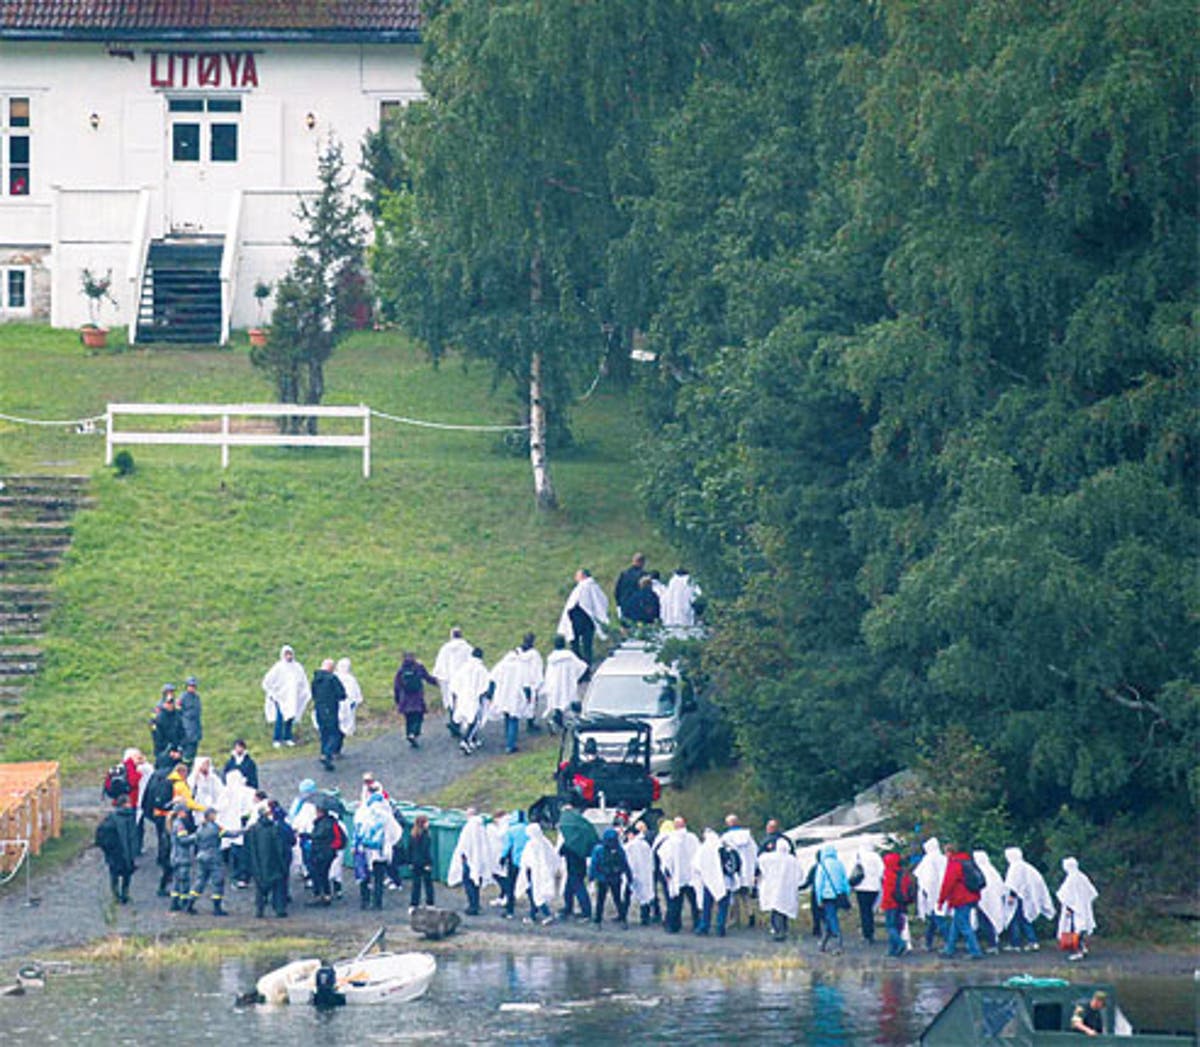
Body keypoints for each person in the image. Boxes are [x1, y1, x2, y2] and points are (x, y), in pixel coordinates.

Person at [353, 788, 402, 911]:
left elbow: (356, 831)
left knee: (364, 877)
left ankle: (364, 901)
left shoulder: (362, 814)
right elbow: (395, 834)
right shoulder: (386, 816)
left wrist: (355, 847)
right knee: (378, 879)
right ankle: (377, 902)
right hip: (381, 853)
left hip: (364, 851)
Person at [1003, 845, 1056, 951]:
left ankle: (1017, 943)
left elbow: (1014, 883)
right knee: (1024, 919)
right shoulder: (1025, 866)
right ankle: (1031, 941)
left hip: (1020, 898)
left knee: (1016, 919)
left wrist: (1012, 896)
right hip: (1026, 897)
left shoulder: (1015, 867)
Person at [938, 844, 983, 958]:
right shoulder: (967, 861)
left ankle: (975, 951)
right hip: (971, 896)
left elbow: (947, 883)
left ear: (949, 853)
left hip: (960, 898)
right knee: (956, 924)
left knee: (964, 925)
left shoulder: (954, 864)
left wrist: (941, 900)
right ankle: (949, 949)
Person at [246, 803, 290, 918]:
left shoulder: (253, 829)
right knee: (278, 887)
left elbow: (250, 848)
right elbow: (279, 847)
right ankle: (279, 909)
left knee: (260, 887)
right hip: (274, 862)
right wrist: (283, 863)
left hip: (258, 863)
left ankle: (259, 910)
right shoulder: (274, 828)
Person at [558, 569, 610, 665]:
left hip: (578, 619)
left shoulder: (582, 587)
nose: (575, 578)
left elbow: (572, 604)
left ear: (583, 576)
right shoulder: (594, 587)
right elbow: (601, 601)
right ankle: (587, 664)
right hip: (588, 621)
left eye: (577, 575)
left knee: (576, 644)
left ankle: (579, 664)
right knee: (587, 645)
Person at [262, 645, 310, 748]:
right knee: (280, 717)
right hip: (280, 697)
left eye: (290, 654)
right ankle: (277, 739)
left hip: (292, 697)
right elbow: (267, 681)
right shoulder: (278, 667)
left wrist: (303, 692)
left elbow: (302, 681)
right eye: (286, 654)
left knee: (290, 717)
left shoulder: (297, 667)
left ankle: (288, 737)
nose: (289, 656)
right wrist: (273, 693)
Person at [659, 816, 700, 933]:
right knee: (694, 902)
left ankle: (674, 926)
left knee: (675, 902)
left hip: (677, 876)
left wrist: (667, 872)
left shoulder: (670, 840)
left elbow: (665, 858)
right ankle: (698, 924)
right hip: (692, 875)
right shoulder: (693, 838)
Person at [95, 793, 138, 904]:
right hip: (119, 851)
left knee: (121, 874)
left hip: (121, 852)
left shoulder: (121, 817)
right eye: (128, 803)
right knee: (120, 874)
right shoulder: (118, 819)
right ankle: (120, 894)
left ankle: (121, 894)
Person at [448, 808, 492, 915]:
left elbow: (464, 845)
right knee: (476, 883)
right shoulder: (481, 826)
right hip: (480, 860)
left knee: (468, 883)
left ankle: (472, 906)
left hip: (469, 860)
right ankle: (476, 903)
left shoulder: (469, 827)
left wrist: (462, 856)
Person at [757, 837, 802, 942]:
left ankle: (778, 931)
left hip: (773, 888)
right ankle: (783, 929)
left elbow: (760, 860)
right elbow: (800, 874)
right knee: (784, 910)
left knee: (776, 909)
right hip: (787, 890)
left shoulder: (770, 858)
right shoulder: (792, 860)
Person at [490, 644, 533, 755]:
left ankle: (508, 737)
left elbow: (492, 679)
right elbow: (526, 683)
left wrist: (491, 694)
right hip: (515, 695)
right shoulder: (520, 667)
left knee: (507, 716)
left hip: (503, 695)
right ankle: (511, 744)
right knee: (514, 719)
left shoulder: (502, 665)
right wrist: (528, 696)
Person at [557, 805, 596, 921]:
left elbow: (562, 851)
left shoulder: (571, 843)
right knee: (569, 889)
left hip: (573, 868)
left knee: (579, 888)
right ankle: (568, 908)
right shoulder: (581, 838)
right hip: (580, 866)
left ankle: (586, 911)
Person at [451, 647, 494, 753]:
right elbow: (485, 686)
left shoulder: (463, 667)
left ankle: (473, 740)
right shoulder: (481, 669)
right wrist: (485, 696)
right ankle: (466, 740)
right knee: (475, 721)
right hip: (474, 698)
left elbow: (455, 683)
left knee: (465, 719)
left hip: (462, 697)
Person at [542, 634, 588, 732]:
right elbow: (581, 666)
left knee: (557, 703)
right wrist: (575, 676)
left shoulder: (551, 658)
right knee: (569, 701)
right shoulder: (570, 656)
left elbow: (549, 674)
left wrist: (548, 685)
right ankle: (570, 722)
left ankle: (557, 721)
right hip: (567, 683)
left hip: (555, 684)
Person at [1056, 856, 1098, 962]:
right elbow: (1092, 892)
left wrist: (1070, 908)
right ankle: (1082, 948)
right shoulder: (1082, 876)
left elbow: (1066, 895)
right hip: (1083, 907)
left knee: (1076, 930)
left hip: (1075, 908)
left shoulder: (1071, 879)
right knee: (1081, 928)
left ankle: (1077, 951)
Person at [517, 822, 559, 925]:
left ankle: (546, 914)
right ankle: (533, 915)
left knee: (536, 895)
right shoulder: (545, 842)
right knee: (537, 895)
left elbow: (527, 860)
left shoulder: (532, 844)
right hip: (543, 873)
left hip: (534, 874)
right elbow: (553, 857)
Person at [393, 651, 437, 748]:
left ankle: (409, 734)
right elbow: (428, 678)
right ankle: (414, 733)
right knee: (418, 717)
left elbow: (396, 686)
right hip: (417, 698)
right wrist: (438, 683)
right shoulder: (418, 667)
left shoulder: (401, 670)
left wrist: (397, 699)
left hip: (405, 699)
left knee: (408, 719)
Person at [433, 628, 473, 734]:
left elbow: (440, 666)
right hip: (463, 680)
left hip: (448, 680)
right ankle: (460, 724)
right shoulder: (467, 649)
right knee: (462, 701)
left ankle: (453, 723)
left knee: (450, 702)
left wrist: (439, 678)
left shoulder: (445, 648)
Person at [589, 827, 631, 928]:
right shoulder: (619, 849)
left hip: (602, 877)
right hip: (616, 878)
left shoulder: (598, 849)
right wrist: (629, 876)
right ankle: (623, 919)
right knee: (617, 899)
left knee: (600, 899)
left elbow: (594, 864)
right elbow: (625, 864)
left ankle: (597, 920)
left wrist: (591, 876)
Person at [692, 828, 730, 936]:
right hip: (725, 880)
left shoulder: (703, 849)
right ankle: (720, 927)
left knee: (707, 905)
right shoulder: (724, 847)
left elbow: (696, 864)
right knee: (723, 905)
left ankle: (704, 926)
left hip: (708, 880)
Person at [814, 843, 850, 953]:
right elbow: (845, 880)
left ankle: (837, 942)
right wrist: (846, 893)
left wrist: (818, 899)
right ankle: (823, 943)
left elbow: (818, 884)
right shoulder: (840, 864)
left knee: (831, 918)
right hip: (838, 895)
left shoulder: (822, 865)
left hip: (826, 896)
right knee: (830, 917)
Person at [192, 807, 228, 916]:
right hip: (214, 857)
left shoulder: (200, 828)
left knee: (200, 881)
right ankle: (217, 908)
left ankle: (189, 903)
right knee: (218, 881)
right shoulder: (215, 828)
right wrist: (244, 831)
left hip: (201, 856)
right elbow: (229, 834)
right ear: (210, 815)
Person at [311, 658, 346, 771]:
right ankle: (328, 753)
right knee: (334, 733)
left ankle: (323, 753)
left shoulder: (315, 679)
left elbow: (313, 694)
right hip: (330, 709)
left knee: (324, 732)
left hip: (319, 709)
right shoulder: (332, 678)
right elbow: (341, 694)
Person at [916, 837, 949, 950]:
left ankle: (948, 943)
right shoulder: (943, 859)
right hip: (942, 892)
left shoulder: (928, 859)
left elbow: (926, 878)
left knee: (937, 919)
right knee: (934, 920)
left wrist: (926, 893)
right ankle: (928, 942)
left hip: (931, 894)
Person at [973, 849, 1009, 954]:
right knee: (990, 921)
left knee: (985, 923)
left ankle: (992, 944)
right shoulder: (992, 871)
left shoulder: (980, 871)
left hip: (982, 902)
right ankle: (992, 943)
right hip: (992, 901)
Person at [307, 800, 341, 907]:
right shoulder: (331, 822)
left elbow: (318, 836)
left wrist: (306, 835)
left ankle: (321, 896)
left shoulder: (324, 824)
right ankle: (326, 895)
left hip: (322, 852)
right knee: (324, 874)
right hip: (328, 852)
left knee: (318, 874)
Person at [623, 821, 657, 925]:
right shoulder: (645, 845)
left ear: (631, 835)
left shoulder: (628, 846)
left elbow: (626, 860)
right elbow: (651, 860)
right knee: (645, 896)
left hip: (632, 872)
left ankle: (623, 914)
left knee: (626, 894)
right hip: (645, 873)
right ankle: (645, 917)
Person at [167, 801, 199, 913]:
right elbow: (183, 840)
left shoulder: (174, 823)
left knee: (176, 881)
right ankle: (185, 902)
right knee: (184, 881)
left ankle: (175, 902)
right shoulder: (180, 825)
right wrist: (196, 837)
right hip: (182, 857)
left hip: (175, 856)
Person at [851, 843, 885, 944]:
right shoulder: (876, 856)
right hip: (874, 887)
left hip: (861, 887)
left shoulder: (859, 856)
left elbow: (853, 870)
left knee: (864, 911)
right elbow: (882, 871)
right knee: (870, 910)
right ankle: (871, 932)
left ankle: (867, 934)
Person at [879, 851, 911, 957]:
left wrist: (883, 905)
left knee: (890, 927)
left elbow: (887, 892)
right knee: (896, 927)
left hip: (890, 904)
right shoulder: (901, 873)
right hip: (900, 903)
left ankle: (900, 944)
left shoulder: (888, 873)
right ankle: (893, 950)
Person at [498, 811, 530, 918]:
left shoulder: (511, 831)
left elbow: (507, 846)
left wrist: (502, 858)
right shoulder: (528, 829)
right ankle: (535, 908)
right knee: (528, 885)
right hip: (528, 862)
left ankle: (510, 910)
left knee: (511, 886)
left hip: (514, 861)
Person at [515, 633, 545, 735]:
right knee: (531, 703)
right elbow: (537, 669)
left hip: (519, 681)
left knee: (517, 703)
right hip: (530, 682)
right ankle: (530, 724)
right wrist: (537, 682)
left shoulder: (516, 652)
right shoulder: (535, 655)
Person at [334, 657, 364, 750]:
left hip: (348, 705)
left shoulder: (350, 679)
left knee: (344, 725)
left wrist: (355, 701)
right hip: (337, 705)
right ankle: (335, 746)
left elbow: (355, 691)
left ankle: (337, 746)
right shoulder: (334, 678)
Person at [408, 814, 436, 911]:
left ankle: (414, 904)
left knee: (416, 884)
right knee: (428, 884)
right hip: (424, 863)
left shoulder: (413, 835)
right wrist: (429, 863)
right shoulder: (426, 835)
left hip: (415, 863)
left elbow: (410, 849)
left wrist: (410, 862)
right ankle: (430, 903)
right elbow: (425, 851)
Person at [151, 686, 183, 760]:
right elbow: (153, 725)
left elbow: (181, 729)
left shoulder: (177, 712)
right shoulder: (158, 710)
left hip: (175, 745)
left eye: (172, 692)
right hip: (162, 747)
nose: (171, 694)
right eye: (169, 692)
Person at [614, 552, 646, 621]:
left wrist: (619, 603)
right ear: (641, 562)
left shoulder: (624, 574)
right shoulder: (642, 575)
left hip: (624, 604)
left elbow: (617, 590)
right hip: (637, 606)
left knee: (625, 626)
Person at [179, 675, 203, 764]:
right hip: (187, 729)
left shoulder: (196, 697)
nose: (192, 688)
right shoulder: (183, 697)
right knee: (187, 754)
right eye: (191, 686)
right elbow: (179, 712)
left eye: (194, 686)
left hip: (195, 729)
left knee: (193, 752)